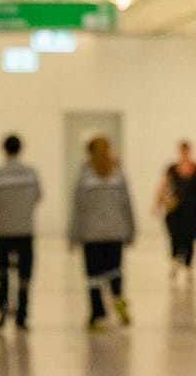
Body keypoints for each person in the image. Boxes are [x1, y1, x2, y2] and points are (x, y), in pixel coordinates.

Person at [66, 135, 135, 331]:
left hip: (91, 234)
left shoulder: (84, 177)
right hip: (116, 231)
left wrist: (73, 236)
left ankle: (98, 315)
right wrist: (131, 230)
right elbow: (127, 204)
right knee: (115, 269)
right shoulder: (118, 174)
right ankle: (117, 296)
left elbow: (78, 208)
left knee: (93, 275)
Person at [0, 133, 41, 330]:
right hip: (25, 229)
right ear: (20, 149)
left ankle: (3, 305)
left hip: (4, 230)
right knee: (25, 273)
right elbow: (37, 196)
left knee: (3, 270)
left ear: (4, 150)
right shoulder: (31, 173)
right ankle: (22, 314)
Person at [155, 139, 196, 281]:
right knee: (175, 236)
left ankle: (189, 266)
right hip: (176, 210)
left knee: (190, 239)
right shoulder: (172, 168)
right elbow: (163, 186)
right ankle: (175, 261)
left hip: (193, 209)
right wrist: (159, 203)